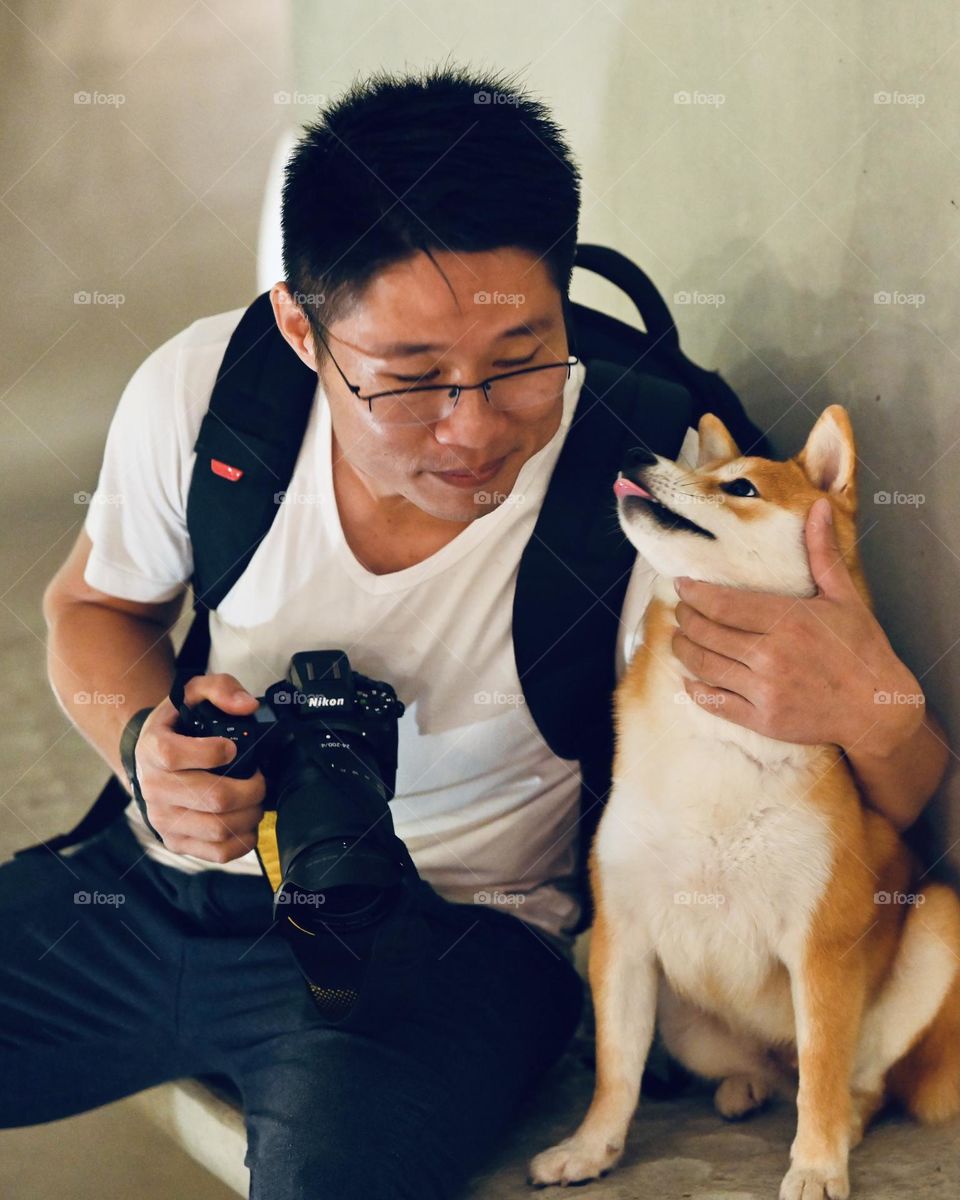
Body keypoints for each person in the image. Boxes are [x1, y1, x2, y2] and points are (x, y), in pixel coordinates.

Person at [1, 63, 947, 1200]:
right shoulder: (210, 393)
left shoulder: (652, 487)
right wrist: (149, 748)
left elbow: (859, 803)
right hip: (158, 884)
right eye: (409, 379)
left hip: (458, 945)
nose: (472, 429)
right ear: (303, 330)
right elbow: (95, 608)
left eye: (520, 364)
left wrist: (877, 700)